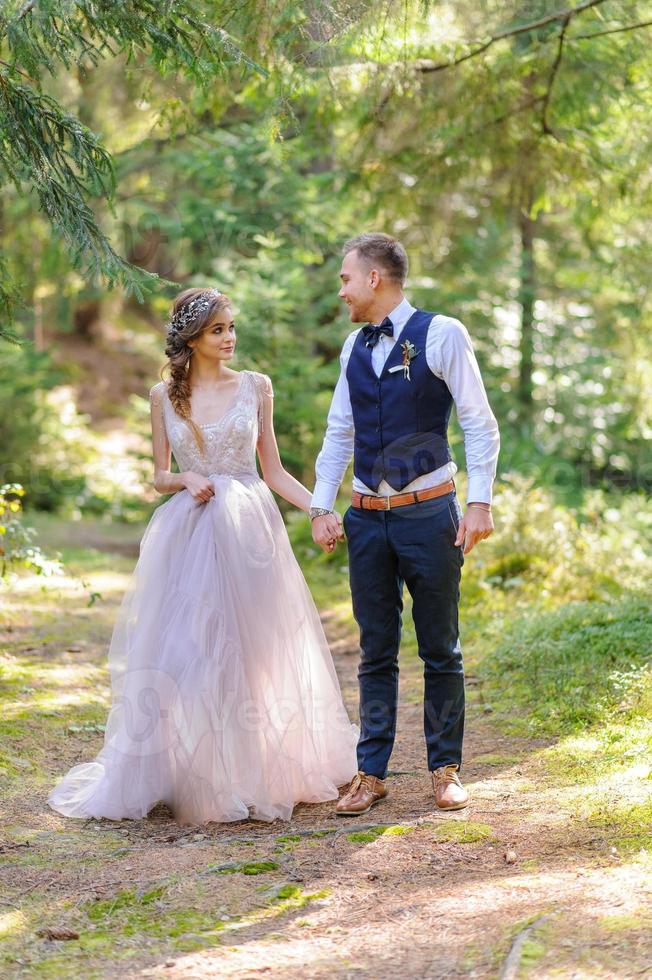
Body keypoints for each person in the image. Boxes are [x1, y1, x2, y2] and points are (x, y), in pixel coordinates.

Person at [48, 287, 358, 826]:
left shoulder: (256, 388)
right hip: (188, 535)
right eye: (218, 330)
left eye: (232, 327)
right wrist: (184, 477)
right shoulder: (162, 396)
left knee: (256, 651)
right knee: (189, 652)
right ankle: (198, 774)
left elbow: (274, 471)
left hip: (249, 534)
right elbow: (157, 475)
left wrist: (320, 510)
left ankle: (258, 769)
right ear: (191, 339)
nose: (231, 337)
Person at [309, 233, 500, 816]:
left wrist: (480, 502)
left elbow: (478, 421)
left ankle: (445, 769)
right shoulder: (351, 348)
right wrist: (322, 505)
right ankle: (371, 773)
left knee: (441, 648)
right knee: (375, 652)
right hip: (367, 518)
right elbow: (340, 430)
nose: (340, 290)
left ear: (375, 278)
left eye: (346, 279)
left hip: (428, 514)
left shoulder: (442, 334)